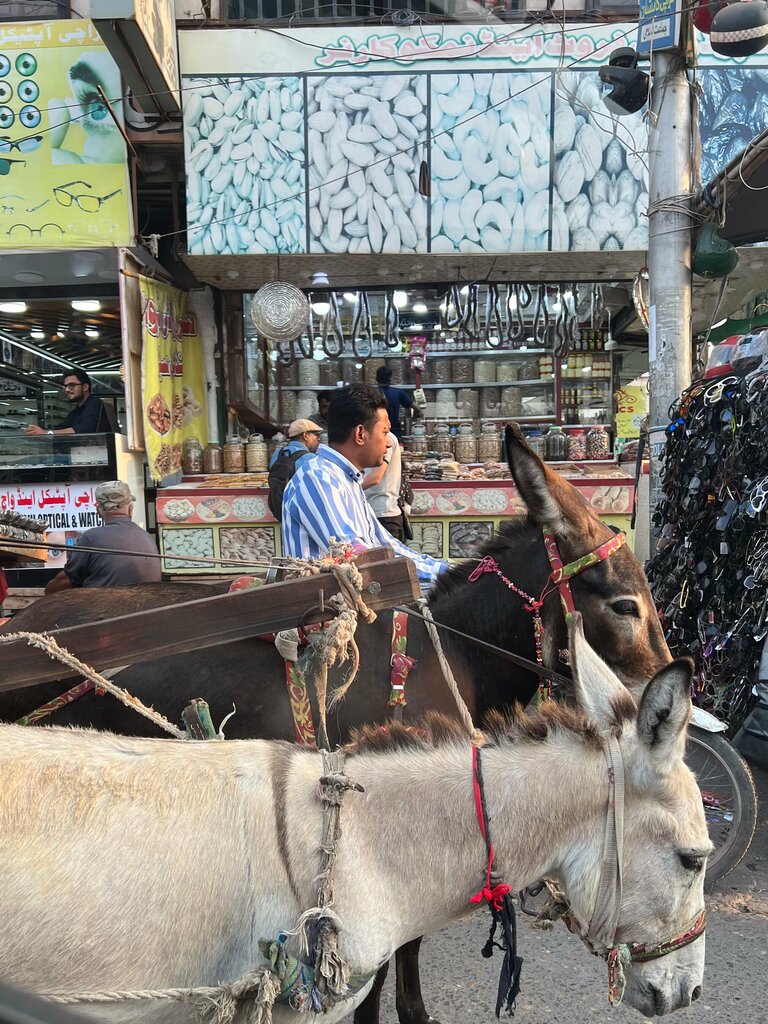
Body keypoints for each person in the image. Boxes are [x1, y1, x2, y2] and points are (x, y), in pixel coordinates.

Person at [282, 385, 445, 589]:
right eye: (384, 432)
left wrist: (446, 571)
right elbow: (354, 554)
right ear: (360, 434)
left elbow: (386, 544)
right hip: (328, 608)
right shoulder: (318, 478)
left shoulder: (349, 481)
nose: (388, 443)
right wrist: (448, 578)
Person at [45, 480, 161, 593]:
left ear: (98, 511)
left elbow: (66, 581)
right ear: (130, 509)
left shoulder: (91, 538)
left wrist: (48, 593)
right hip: (145, 607)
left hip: (109, 609)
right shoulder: (147, 537)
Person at [267, 418, 322, 522]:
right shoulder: (310, 458)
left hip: (280, 510)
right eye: (316, 435)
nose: (318, 439)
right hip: (302, 515)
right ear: (305, 435)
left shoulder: (277, 453)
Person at [25, 369, 108, 436]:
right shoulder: (76, 410)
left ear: (85, 387)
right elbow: (62, 427)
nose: (67, 390)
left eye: (71, 385)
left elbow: (85, 429)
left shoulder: (95, 404)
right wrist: (41, 432)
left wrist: (47, 433)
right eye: (65, 386)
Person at [363, 431, 409, 541]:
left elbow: (376, 477)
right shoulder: (369, 437)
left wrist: (345, 490)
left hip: (384, 513)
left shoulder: (387, 439)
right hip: (371, 512)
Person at [375, 366, 416, 441]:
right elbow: (417, 408)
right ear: (390, 379)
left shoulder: (371, 393)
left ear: (376, 378)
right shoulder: (398, 393)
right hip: (395, 433)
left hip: (376, 432)